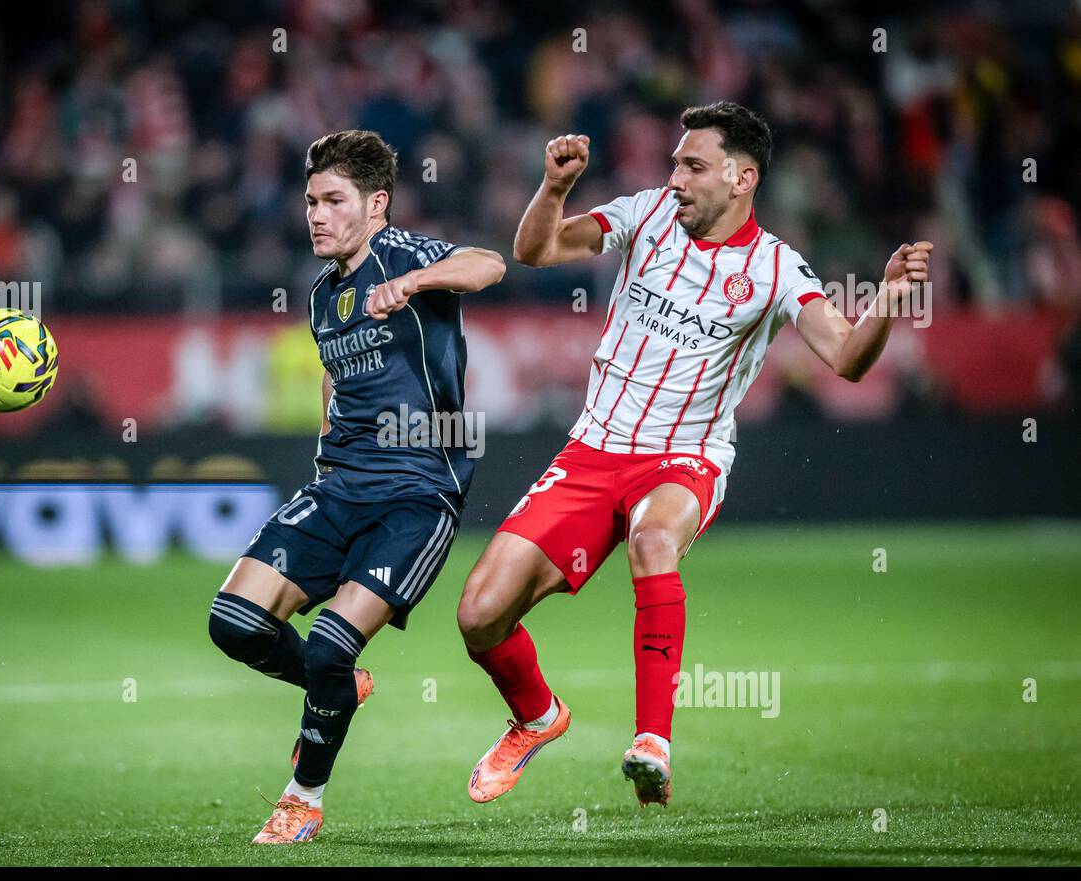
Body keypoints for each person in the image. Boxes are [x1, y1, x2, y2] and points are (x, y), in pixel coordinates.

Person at [456, 102, 932, 808]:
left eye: (693, 165)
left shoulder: (776, 269)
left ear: (742, 179)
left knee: (653, 540)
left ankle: (653, 742)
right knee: (479, 614)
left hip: (686, 458)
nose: (674, 176)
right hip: (591, 452)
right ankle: (537, 717)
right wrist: (554, 187)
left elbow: (847, 358)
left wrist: (888, 299)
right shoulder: (644, 215)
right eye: (675, 162)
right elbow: (536, 251)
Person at [207, 129, 506, 843]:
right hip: (339, 487)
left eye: (333, 200)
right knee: (234, 623)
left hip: (416, 494)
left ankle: (303, 797)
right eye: (310, 200)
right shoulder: (321, 297)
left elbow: (489, 265)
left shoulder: (406, 255)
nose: (315, 214)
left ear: (376, 205)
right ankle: (336, 691)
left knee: (329, 647)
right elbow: (335, 383)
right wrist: (324, 460)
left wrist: (413, 284)